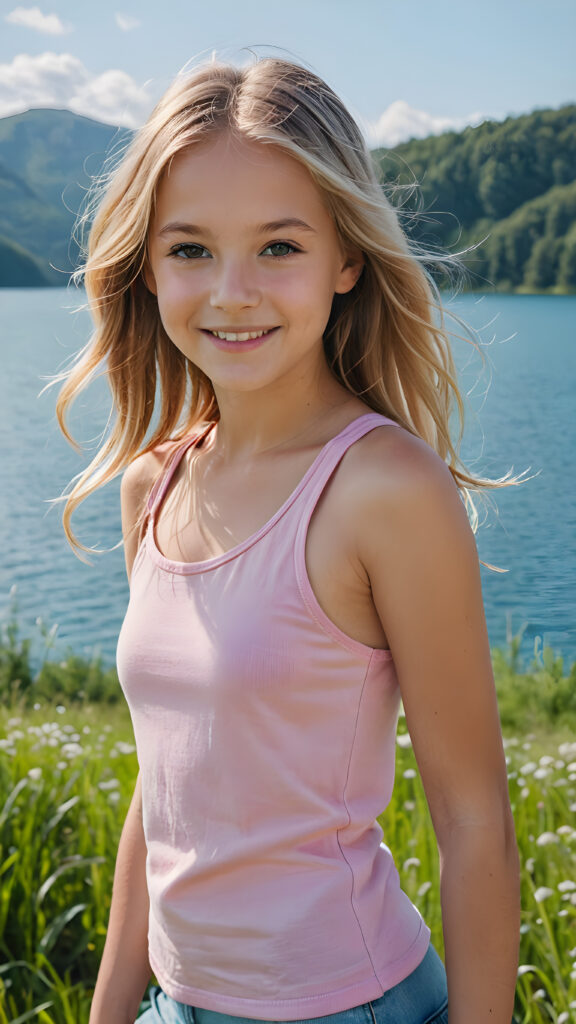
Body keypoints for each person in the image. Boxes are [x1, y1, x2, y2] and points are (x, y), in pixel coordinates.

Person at [56, 55, 521, 1024]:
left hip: (348, 1005)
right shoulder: (154, 484)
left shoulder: (386, 489)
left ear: (346, 259)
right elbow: (164, 793)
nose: (232, 292)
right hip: (176, 1003)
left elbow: (474, 821)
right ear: (149, 265)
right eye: (191, 249)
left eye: (278, 247)